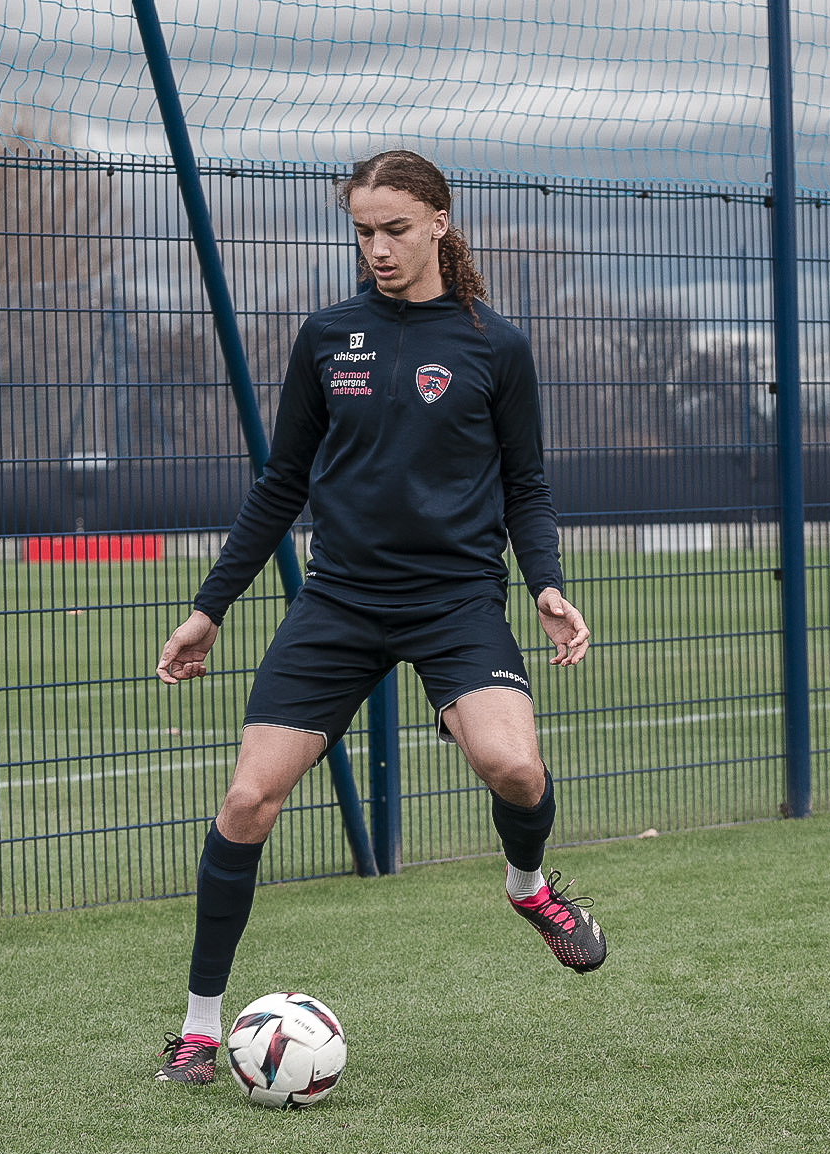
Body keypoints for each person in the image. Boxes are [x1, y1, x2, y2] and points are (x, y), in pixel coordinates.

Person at [152, 150, 605, 1086]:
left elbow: (526, 486)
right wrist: (209, 610)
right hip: (341, 603)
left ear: (440, 221)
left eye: (395, 228)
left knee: (516, 768)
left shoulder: (496, 346)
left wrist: (546, 584)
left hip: (456, 603)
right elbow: (280, 485)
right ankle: (199, 1028)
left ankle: (527, 887)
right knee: (246, 801)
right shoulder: (327, 337)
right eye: (363, 231)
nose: (378, 248)